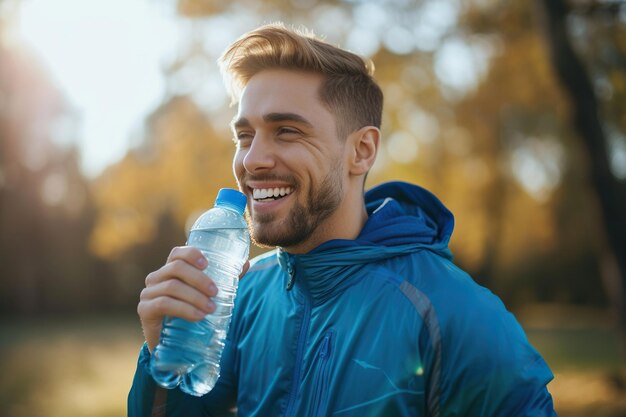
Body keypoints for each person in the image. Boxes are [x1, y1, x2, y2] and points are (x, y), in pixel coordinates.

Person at [128, 22, 557, 417]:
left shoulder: (455, 315)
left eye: (287, 131)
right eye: (244, 136)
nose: (252, 159)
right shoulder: (244, 297)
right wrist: (163, 355)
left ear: (362, 151)